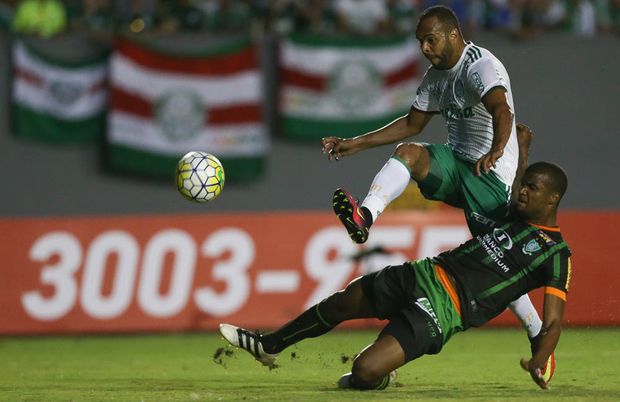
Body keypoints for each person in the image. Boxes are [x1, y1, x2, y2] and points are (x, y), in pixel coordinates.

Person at [322, 5, 548, 368]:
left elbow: (502, 111)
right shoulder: (435, 77)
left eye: (431, 39)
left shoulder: (480, 66)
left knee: (497, 259)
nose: (425, 48)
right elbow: (412, 125)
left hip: (489, 177)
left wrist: (496, 149)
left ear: (453, 34)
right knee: (408, 153)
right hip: (457, 165)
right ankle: (365, 215)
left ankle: (538, 333)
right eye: (420, 42)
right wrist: (355, 142)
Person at [219, 161, 571, 390]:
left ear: (553, 198)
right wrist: (520, 149)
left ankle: (381, 373)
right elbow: (512, 182)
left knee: (364, 372)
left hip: (445, 312)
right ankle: (268, 345)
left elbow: (553, 321)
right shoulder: (511, 211)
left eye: (533, 188)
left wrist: (540, 355)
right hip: (426, 272)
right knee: (343, 302)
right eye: (524, 184)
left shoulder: (556, 256)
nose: (523, 191)